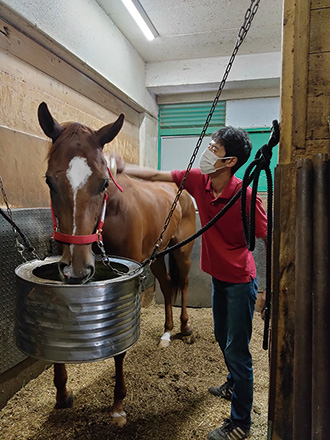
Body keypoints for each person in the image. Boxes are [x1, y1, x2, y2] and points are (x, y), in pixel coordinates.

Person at [123, 126, 267, 440]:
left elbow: (267, 235)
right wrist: (122, 167)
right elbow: (157, 175)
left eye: (214, 148)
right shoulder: (199, 182)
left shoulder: (244, 195)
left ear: (230, 161)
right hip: (219, 279)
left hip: (241, 282)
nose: (207, 151)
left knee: (238, 350)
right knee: (220, 335)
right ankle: (233, 383)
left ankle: (240, 423)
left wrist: (267, 287)